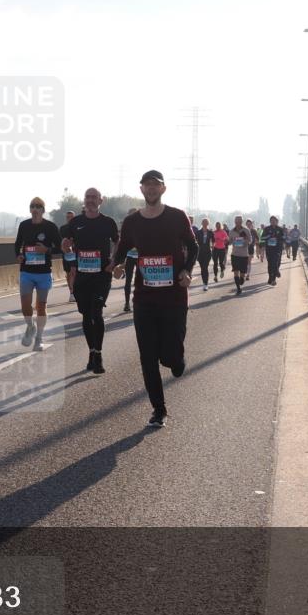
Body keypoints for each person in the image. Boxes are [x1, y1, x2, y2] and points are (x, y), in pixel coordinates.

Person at [112, 170, 198, 427]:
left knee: (171, 359)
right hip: (144, 299)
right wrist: (117, 264)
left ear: (163, 189)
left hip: (174, 298)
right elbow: (122, 248)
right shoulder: (132, 222)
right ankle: (159, 410)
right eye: (147, 185)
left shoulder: (177, 216)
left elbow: (193, 246)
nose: (151, 188)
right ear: (141, 189)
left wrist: (187, 270)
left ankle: (176, 359)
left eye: (155, 185)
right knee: (147, 356)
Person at [61, 187, 119, 374]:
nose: (91, 200)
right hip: (82, 276)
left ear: (101, 201)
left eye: (94, 197)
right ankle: (91, 352)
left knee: (97, 312)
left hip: (102, 275)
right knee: (86, 315)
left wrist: (114, 261)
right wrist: (67, 251)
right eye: (88, 197)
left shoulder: (108, 222)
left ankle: (98, 355)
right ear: (84, 200)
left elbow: (118, 242)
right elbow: (67, 245)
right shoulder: (76, 222)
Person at [14, 197, 61, 351]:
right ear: (30, 209)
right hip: (26, 271)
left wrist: (46, 250)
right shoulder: (24, 225)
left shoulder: (50, 227)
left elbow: (60, 248)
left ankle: (39, 338)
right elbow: (17, 244)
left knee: (41, 307)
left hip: (43, 273)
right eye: (32, 206)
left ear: (43, 210)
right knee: (25, 306)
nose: (35, 209)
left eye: (38, 206)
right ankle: (30, 326)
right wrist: (18, 255)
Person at [229, 216, 253, 295]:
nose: (238, 223)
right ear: (234, 222)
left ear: (242, 222)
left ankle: (242, 278)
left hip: (244, 255)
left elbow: (250, 240)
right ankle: (238, 289)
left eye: (239, 221)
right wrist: (227, 242)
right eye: (236, 221)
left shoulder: (246, 230)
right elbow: (230, 241)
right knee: (235, 272)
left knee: (242, 274)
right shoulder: (231, 231)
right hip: (235, 254)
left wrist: (245, 242)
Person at [260, 215, 286, 286]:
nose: (273, 222)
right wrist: (268, 237)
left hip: (277, 249)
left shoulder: (280, 229)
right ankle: (270, 277)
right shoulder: (266, 229)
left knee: (277, 263)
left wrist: (279, 238)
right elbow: (262, 238)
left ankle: (274, 277)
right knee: (270, 264)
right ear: (270, 221)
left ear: (277, 221)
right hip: (269, 249)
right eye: (272, 221)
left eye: (274, 221)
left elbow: (284, 237)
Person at [122, 207, 139, 312]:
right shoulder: (127, 227)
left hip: (141, 257)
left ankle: (139, 302)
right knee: (128, 280)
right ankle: (127, 303)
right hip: (130, 256)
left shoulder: (143, 225)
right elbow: (123, 243)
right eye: (130, 214)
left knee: (140, 280)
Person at [58, 210, 77, 302]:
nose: (69, 218)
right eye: (68, 217)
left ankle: (75, 292)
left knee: (74, 272)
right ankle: (71, 293)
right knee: (69, 273)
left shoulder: (78, 227)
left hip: (75, 254)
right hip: (66, 254)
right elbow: (59, 241)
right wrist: (63, 247)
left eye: (71, 217)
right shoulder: (62, 228)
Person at [194, 218, 214, 291]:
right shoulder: (198, 232)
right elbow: (194, 241)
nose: (205, 223)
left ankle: (206, 284)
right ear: (202, 223)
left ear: (208, 223)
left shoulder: (210, 232)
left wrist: (213, 246)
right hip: (200, 253)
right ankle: (204, 283)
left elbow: (213, 241)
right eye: (204, 222)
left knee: (205, 267)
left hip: (208, 252)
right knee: (202, 268)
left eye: (206, 222)